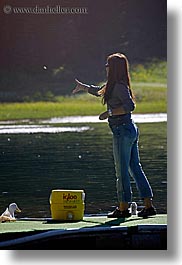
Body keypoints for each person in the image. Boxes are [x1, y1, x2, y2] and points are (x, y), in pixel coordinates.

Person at [72, 53, 156, 218]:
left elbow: (130, 106)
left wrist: (109, 113)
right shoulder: (115, 85)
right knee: (135, 168)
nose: (106, 67)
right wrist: (83, 87)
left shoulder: (118, 85)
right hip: (128, 130)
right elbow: (100, 91)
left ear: (114, 68)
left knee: (122, 171)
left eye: (108, 65)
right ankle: (148, 206)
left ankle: (123, 208)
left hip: (123, 131)